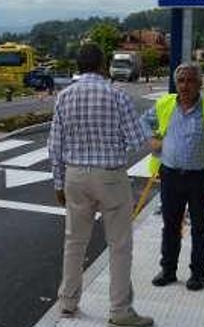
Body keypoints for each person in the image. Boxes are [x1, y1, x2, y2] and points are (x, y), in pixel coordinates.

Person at [48, 43, 153, 327]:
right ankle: (119, 310)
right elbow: (136, 139)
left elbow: (55, 145)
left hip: (74, 176)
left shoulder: (64, 97)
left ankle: (68, 303)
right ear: (103, 65)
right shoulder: (116, 95)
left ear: (78, 65)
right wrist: (112, 146)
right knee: (119, 244)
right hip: (110, 176)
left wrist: (58, 182)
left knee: (74, 241)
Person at [140, 63, 204, 291]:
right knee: (170, 225)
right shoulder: (165, 104)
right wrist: (152, 139)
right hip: (170, 175)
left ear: (200, 84)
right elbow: (143, 121)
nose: (185, 85)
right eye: (181, 81)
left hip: (200, 178)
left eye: (190, 80)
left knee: (199, 226)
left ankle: (198, 273)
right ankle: (168, 270)